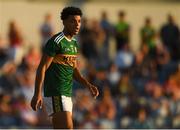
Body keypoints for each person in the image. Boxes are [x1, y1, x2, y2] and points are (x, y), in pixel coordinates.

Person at [30, 6, 99, 129]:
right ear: (64, 22)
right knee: (67, 127)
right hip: (55, 92)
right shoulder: (56, 41)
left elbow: (73, 68)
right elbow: (42, 67)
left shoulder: (74, 43)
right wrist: (37, 94)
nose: (77, 24)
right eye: (73, 21)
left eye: (79, 21)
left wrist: (88, 85)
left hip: (67, 93)